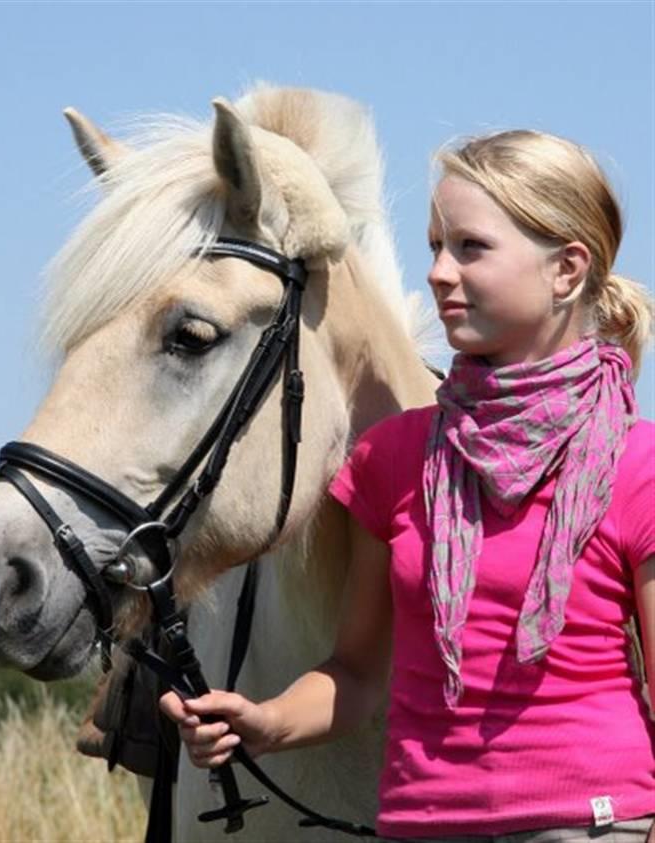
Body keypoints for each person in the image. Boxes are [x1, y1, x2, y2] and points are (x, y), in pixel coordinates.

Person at [160, 130, 655, 842]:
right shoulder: (395, 458)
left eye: (470, 247)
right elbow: (357, 675)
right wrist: (264, 722)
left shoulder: (638, 465)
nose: (439, 273)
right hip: (420, 824)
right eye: (433, 246)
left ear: (567, 269)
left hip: (590, 825)